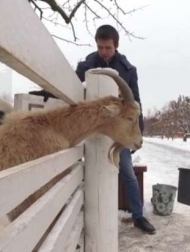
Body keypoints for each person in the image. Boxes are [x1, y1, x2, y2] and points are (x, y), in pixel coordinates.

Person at [75, 24, 156, 235]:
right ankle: (79, 218)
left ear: (116, 46)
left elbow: (135, 102)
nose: (103, 52)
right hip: (89, 132)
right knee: (81, 171)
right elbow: (73, 95)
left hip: (118, 130)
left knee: (127, 172)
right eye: (100, 47)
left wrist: (136, 132)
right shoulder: (86, 66)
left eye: (108, 47)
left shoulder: (129, 70)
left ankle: (138, 216)